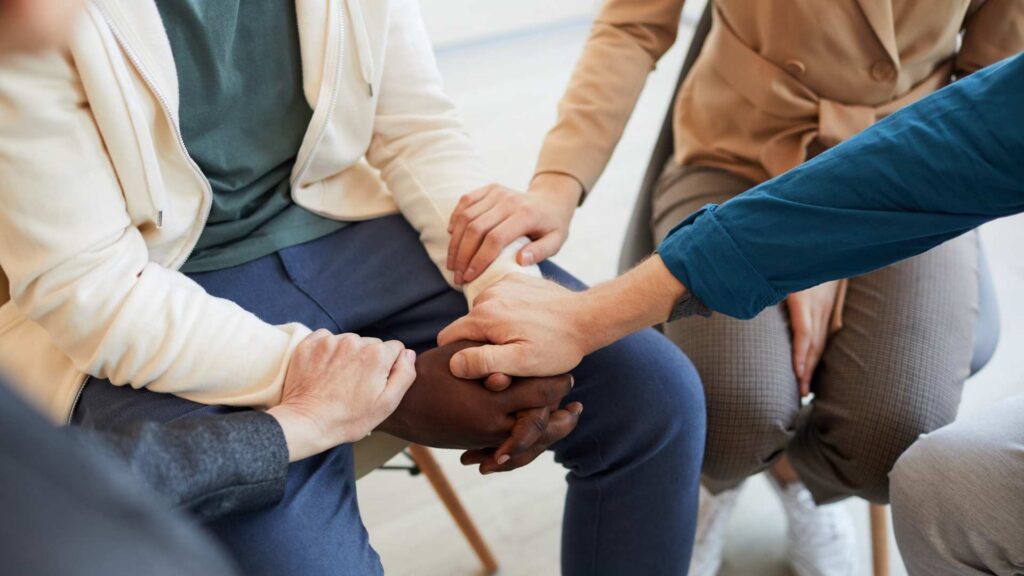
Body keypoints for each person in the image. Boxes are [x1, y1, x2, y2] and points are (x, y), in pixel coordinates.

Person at [0, 1, 706, 575]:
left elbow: (415, 129)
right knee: (297, 559)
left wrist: (502, 295)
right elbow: (91, 287)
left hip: (345, 225)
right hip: (157, 295)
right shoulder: (29, 14)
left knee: (656, 394)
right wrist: (388, 391)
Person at [444, 1, 1024, 573]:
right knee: (729, 421)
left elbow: (985, 106)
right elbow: (632, 23)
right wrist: (557, 183)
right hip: (738, 146)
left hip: (915, 170)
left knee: (888, 440)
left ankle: (793, 476)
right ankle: (724, 481)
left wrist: (826, 248)